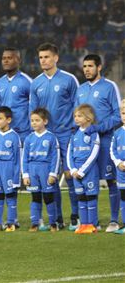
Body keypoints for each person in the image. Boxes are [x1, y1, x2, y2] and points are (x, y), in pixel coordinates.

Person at [30, 42, 79, 230]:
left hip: (66, 134)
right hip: (46, 137)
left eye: (47, 57)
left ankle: (75, 216)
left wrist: (74, 129)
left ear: (56, 58)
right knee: (51, 177)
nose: (43, 60)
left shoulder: (69, 80)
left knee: (70, 174)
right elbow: (32, 111)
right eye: (41, 57)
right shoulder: (36, 83)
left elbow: (78, 104)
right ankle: (57, 218)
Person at [76, 54, 122, 233]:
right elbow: (77, 115)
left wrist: (98, 128)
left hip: (105, 142)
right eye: (85, 66)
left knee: (111, 180)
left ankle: (113, 221)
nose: (87, 69)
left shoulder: (109, 87)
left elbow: (117, 115)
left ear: (99, 67)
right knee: (87, 180)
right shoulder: (80, 90)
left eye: (90, 66)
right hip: (86, 145)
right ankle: (89, 221)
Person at [22, 108, 60, 232]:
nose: (34, 123)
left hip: (46, 170)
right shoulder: (28, 138)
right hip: (33, 170)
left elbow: (56, 157)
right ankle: (35, 223)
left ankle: (53, 223)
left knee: (48, 197)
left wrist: (53, 173)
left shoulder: (51, 137)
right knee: (35, 197)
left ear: (45, 121)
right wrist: (25, 175)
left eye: (37, 120)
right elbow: (24, 158)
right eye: (32, 120)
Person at [67, 104, 100, 234]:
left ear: (88, 118)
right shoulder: (74, 133)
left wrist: (82, 170)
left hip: (89, 171)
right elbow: (69, 153)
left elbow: (94, 153)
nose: (76, 118)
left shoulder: (93, 132)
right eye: (75, 116)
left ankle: (93, 224)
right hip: (76, 172)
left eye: (79, 116)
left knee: (91, 197)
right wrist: (73, 169)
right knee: (81, 198)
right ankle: (84, 224)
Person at [0, 47, 32, 143]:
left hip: (23, 133)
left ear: (19, 60)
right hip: (4, 132)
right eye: (4, 58)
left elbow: (34, 106)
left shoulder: (27, 81)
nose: (6, 61)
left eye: (9, 58)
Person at [110, 99, 125, 234]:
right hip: (121, 171)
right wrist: (118, 163)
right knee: (123, 197)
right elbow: (112, 150)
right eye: (123, 113)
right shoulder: (117, 132)